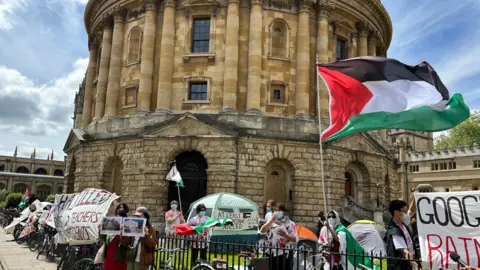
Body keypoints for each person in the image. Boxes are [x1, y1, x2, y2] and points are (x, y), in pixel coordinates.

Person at [260, 203, 298, 270]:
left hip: (283, 253)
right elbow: (262, 230)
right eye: (276, 210)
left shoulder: (290, 223)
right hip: (270, 252)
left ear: (284, 212)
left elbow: (295, 239)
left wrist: (285, 235)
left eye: (279, 210)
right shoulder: (271, 221)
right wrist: (272, 221)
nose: (277, 212)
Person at [385, 199, 418, 270]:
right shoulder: (394, 231)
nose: (406, 214)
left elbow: (412, 211)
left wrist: (415, 197)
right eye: (404, 211)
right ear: (396, 212)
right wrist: (416, 267)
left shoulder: (402, 223)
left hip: (410, 262)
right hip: (403, 266)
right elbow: (404, 252)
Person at [102, 203, 132, 270]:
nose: (118, 218)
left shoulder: (128, 227)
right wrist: (100, 231)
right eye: (117, 216)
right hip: (108, 258)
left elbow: (126, 244)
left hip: (119, 260)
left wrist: (122, 232)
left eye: (120, 217)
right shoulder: (111, 225)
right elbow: (103, 240)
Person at [165, 200, 185, 267]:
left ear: (177, 205)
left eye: (175, 204)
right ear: (171, 205)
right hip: (170, 233)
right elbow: (170, 220)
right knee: (170, 248)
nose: (174, 205)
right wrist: (177, 216)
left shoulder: (179, 212)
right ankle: (169, 262)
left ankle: (180, 263)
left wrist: (182, 218)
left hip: (178, 232)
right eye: (172, 204)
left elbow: (182, 222)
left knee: (180, 248)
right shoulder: (168, 213)